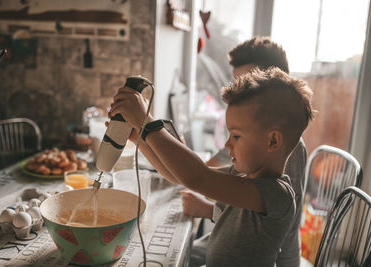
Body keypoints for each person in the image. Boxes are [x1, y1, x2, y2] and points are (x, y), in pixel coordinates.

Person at [109, 67, 315, 266]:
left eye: (236, 136)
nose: (227, 145)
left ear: (273, 141)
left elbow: (198, 177)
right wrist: (138, 136)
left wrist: (147, 123)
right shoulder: (243, 176)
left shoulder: (277, 195)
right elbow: (178, 176)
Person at [181, 36, 308, 267]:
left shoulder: (287, 150)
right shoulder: (249, 140)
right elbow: (212, 170)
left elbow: (277, 225)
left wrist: (208, 209)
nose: (238, 93)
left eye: (246, 84)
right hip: (231, 236)